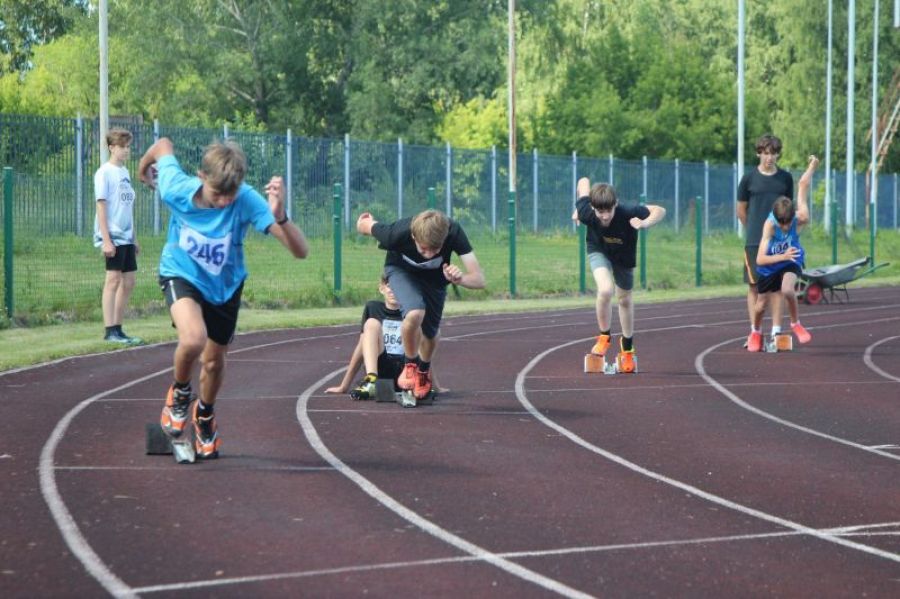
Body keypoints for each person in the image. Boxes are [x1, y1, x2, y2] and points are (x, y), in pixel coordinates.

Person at [137, 137, 309, 459]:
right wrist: (142, 171)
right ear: (202, 176)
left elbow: (300, 252)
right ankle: (180, 393)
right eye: (218, 194)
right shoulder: (176, 187)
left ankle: (204, 415)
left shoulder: (245, 199)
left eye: (231, 194)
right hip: (181, 271)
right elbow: (163, 145)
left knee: (214, 361)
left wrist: (281, 216)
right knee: (193, 339)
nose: (225, 202)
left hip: (225, 286)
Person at [356, 208, 484, 403]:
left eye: (436, 250)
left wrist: (460, 279)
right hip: (400, 272)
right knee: (415, 312)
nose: (429, 255)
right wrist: (365, 221)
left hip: (435, 281)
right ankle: (411, 367)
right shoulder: (396, 233)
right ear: (414, 236)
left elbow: (479, 280)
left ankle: (423, 371)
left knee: (430, 334)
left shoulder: (454, 232)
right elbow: (364, 226)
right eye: (423, 249)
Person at [574, 177, 666, 373]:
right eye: (600, 212)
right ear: (592, 207)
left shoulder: (628, 212)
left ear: (616, 204)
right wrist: (576, 209)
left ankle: (627, 348)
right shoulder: (586, 211)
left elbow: (660, 210)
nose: (605, 216)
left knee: (624, 299)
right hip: (598, 249)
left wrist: (644, 222)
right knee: (605, 290)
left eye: (609, 211)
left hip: (624, 256)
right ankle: (604, 337)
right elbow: (583, 181)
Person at [324, 272, 443, 399]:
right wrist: (344, 385)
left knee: (422, 329)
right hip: (382, 368)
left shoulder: (413, 313)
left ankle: (420, 381)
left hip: (407, 369)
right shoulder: (373, 308)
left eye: (399, 288)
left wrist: (436, 387)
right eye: (390, 286)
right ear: (382, 288)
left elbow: (423, 351)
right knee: (371, 324)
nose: (393, 291)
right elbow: (362, 346)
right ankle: (371, 380)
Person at [747, 155, 818, 352]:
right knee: (760, 305)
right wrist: (782, 256)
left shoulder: (800, 217)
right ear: (776, 219)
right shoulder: (769, 225)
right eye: (783, 224)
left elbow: (803, 185)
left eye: (788, 223)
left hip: (791, 259)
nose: (786, 228)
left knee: (787, 290)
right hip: (770, 264)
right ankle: (755, 331)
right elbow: (760, 259)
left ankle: (795, 324)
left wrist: (812, 166)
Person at [737, 134, 794, 345]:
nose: (769, 158)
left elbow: (789, 208)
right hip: (754, 241)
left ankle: (777, 332)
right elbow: (741, 210)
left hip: (779, 242)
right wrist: (755, 230)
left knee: (777, 288)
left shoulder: (785, 179)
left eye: (774, 153)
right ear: (759, 153)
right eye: (766, 153)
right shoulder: (749, 179)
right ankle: (755, 332)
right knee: (755, 287)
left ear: (778, 154)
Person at [94, 127, 142, 344]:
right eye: (122, 147)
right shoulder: (104, 173)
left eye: (128, 147)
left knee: (129, 281)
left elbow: (127, 207)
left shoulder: (125, 173)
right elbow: (101, 206)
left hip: (126, 235)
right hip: (112, 234)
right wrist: (106, 239)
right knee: (113, 280)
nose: (126, 151)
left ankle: (119, 328)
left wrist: (134, 237)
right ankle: (109, 329)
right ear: (111, 148)